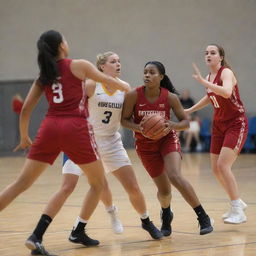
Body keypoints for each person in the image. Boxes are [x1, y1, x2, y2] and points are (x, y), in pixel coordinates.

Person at [0, 30, 130, 256]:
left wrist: (24, 137)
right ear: (61, 45)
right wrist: (126, 88)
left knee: (21, 183)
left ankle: (38, 238)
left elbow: (26, 110)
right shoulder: (79, 65)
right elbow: (108, 81)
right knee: (98, 184)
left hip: (49, 126)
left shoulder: (44, 74)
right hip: (75, 127)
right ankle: (37, 235)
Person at [25, 51, 163, 255]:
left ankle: (146, 221)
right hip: (83, 141)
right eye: (113, 61)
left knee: (132, 186)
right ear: (101, 67)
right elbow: (69, 105)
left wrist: (148, 126)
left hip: (111, 143)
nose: (118, 64)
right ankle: (72, 230)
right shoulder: (91, 85)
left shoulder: (124, 89)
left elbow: (129, 117)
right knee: (69, 186)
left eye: (119, 61)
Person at [121, 61, 213, 236]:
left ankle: (203, 217)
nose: (147, 75)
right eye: (145, 72)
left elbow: (186, 122)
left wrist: (171, 125)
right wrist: (139, 128)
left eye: (152, 72)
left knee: (175, 175)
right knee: (164, 192)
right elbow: (124, 120)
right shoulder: (134, 95)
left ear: (161, 77)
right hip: (145, 145)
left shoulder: (170, 97)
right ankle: (166, 213)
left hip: (167, 139)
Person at [185, 44, 248, 224]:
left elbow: (227, 92)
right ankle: (238, 202)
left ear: (220, 57)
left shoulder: (226, 72)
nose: (208, 55)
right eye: (206, 53)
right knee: (215, 168)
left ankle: (237, 209)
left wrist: (205, 83)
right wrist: (190, 109)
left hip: (236, 123)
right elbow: (210, 96)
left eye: (212, 53)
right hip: (218, 124)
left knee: (223, 165)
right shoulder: (209, 77)